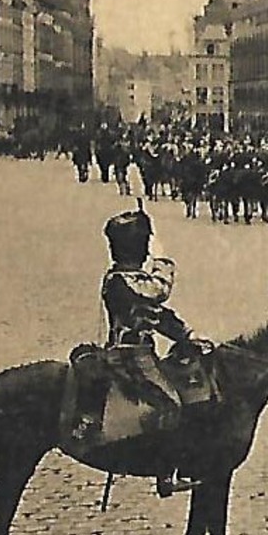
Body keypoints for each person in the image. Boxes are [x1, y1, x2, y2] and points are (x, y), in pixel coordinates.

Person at [72, 205, 212, 496]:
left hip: (142, 354)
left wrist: (188, 335)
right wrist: (162, 259)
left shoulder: (129, 278)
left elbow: (157, 315)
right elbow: (158, 292)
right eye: (145, 245)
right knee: (169, 404)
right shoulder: (121, 281)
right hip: (129, 357)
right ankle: (165, 476)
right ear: (138, 249)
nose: (148, 250)